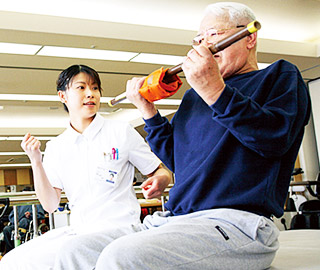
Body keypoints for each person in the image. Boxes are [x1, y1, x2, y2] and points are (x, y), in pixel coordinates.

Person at [96, 2, 309, 270]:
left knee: (122, 257)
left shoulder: (279, 75)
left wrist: (215, 91)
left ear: (249, 37)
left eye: (213, 35)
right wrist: (147, 110)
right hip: (177, 220)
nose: (203, 46)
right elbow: (178, 160)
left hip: (237, 223)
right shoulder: (194, 96)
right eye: (199, 39)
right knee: (72, 254)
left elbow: (274, 139)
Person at [0, 64, 171, 269]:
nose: (90, 94)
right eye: (81, 88)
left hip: (122, 229)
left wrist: (161, 179)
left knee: (72, 255)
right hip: (80, 231)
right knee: (13, 261)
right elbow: (50, 205)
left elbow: (161, 171)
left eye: (95, 88)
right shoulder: (56, 147)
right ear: (63, 96)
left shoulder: (120, 131)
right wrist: (36, 161)